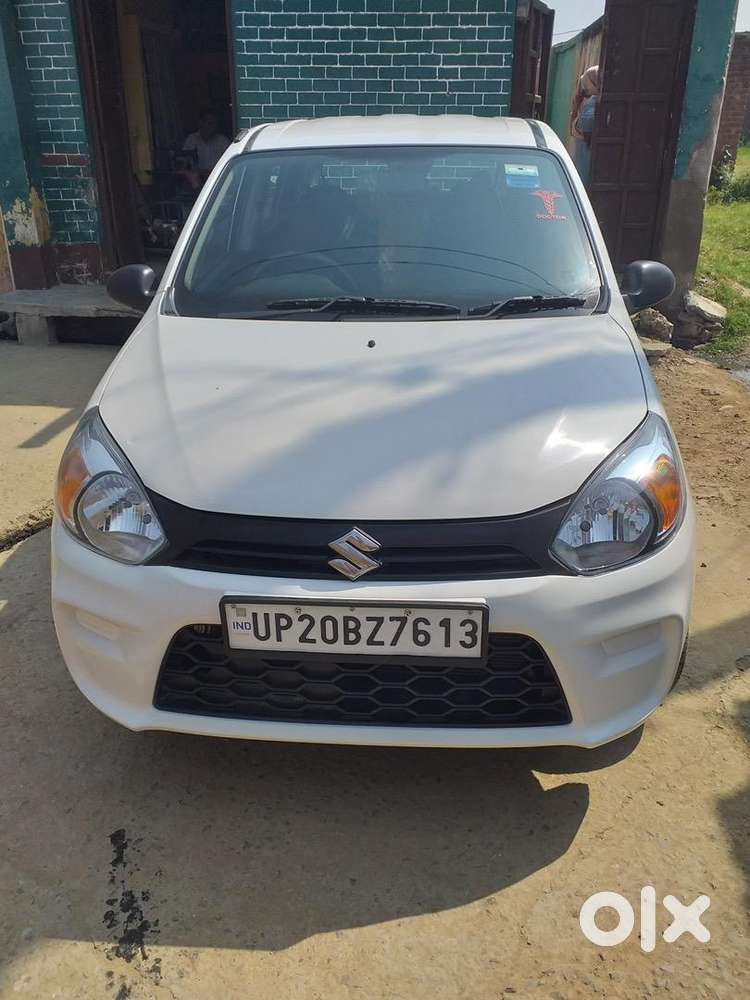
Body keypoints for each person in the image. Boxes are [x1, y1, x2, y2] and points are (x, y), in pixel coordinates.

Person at [181, 109, 230, 188]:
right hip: (196, 182)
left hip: (218, 180)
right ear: (201, 123)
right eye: (209, 123)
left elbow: (229, 165)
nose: (212, 127)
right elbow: (184, 163)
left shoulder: (223, 141)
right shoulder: (191, 139)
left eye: (214, 124)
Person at [569, 65, 600, 182]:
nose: (584, 88)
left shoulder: (592, 104)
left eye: (586, 84)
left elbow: (587, 125)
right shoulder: (592, 102)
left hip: (585, 164)